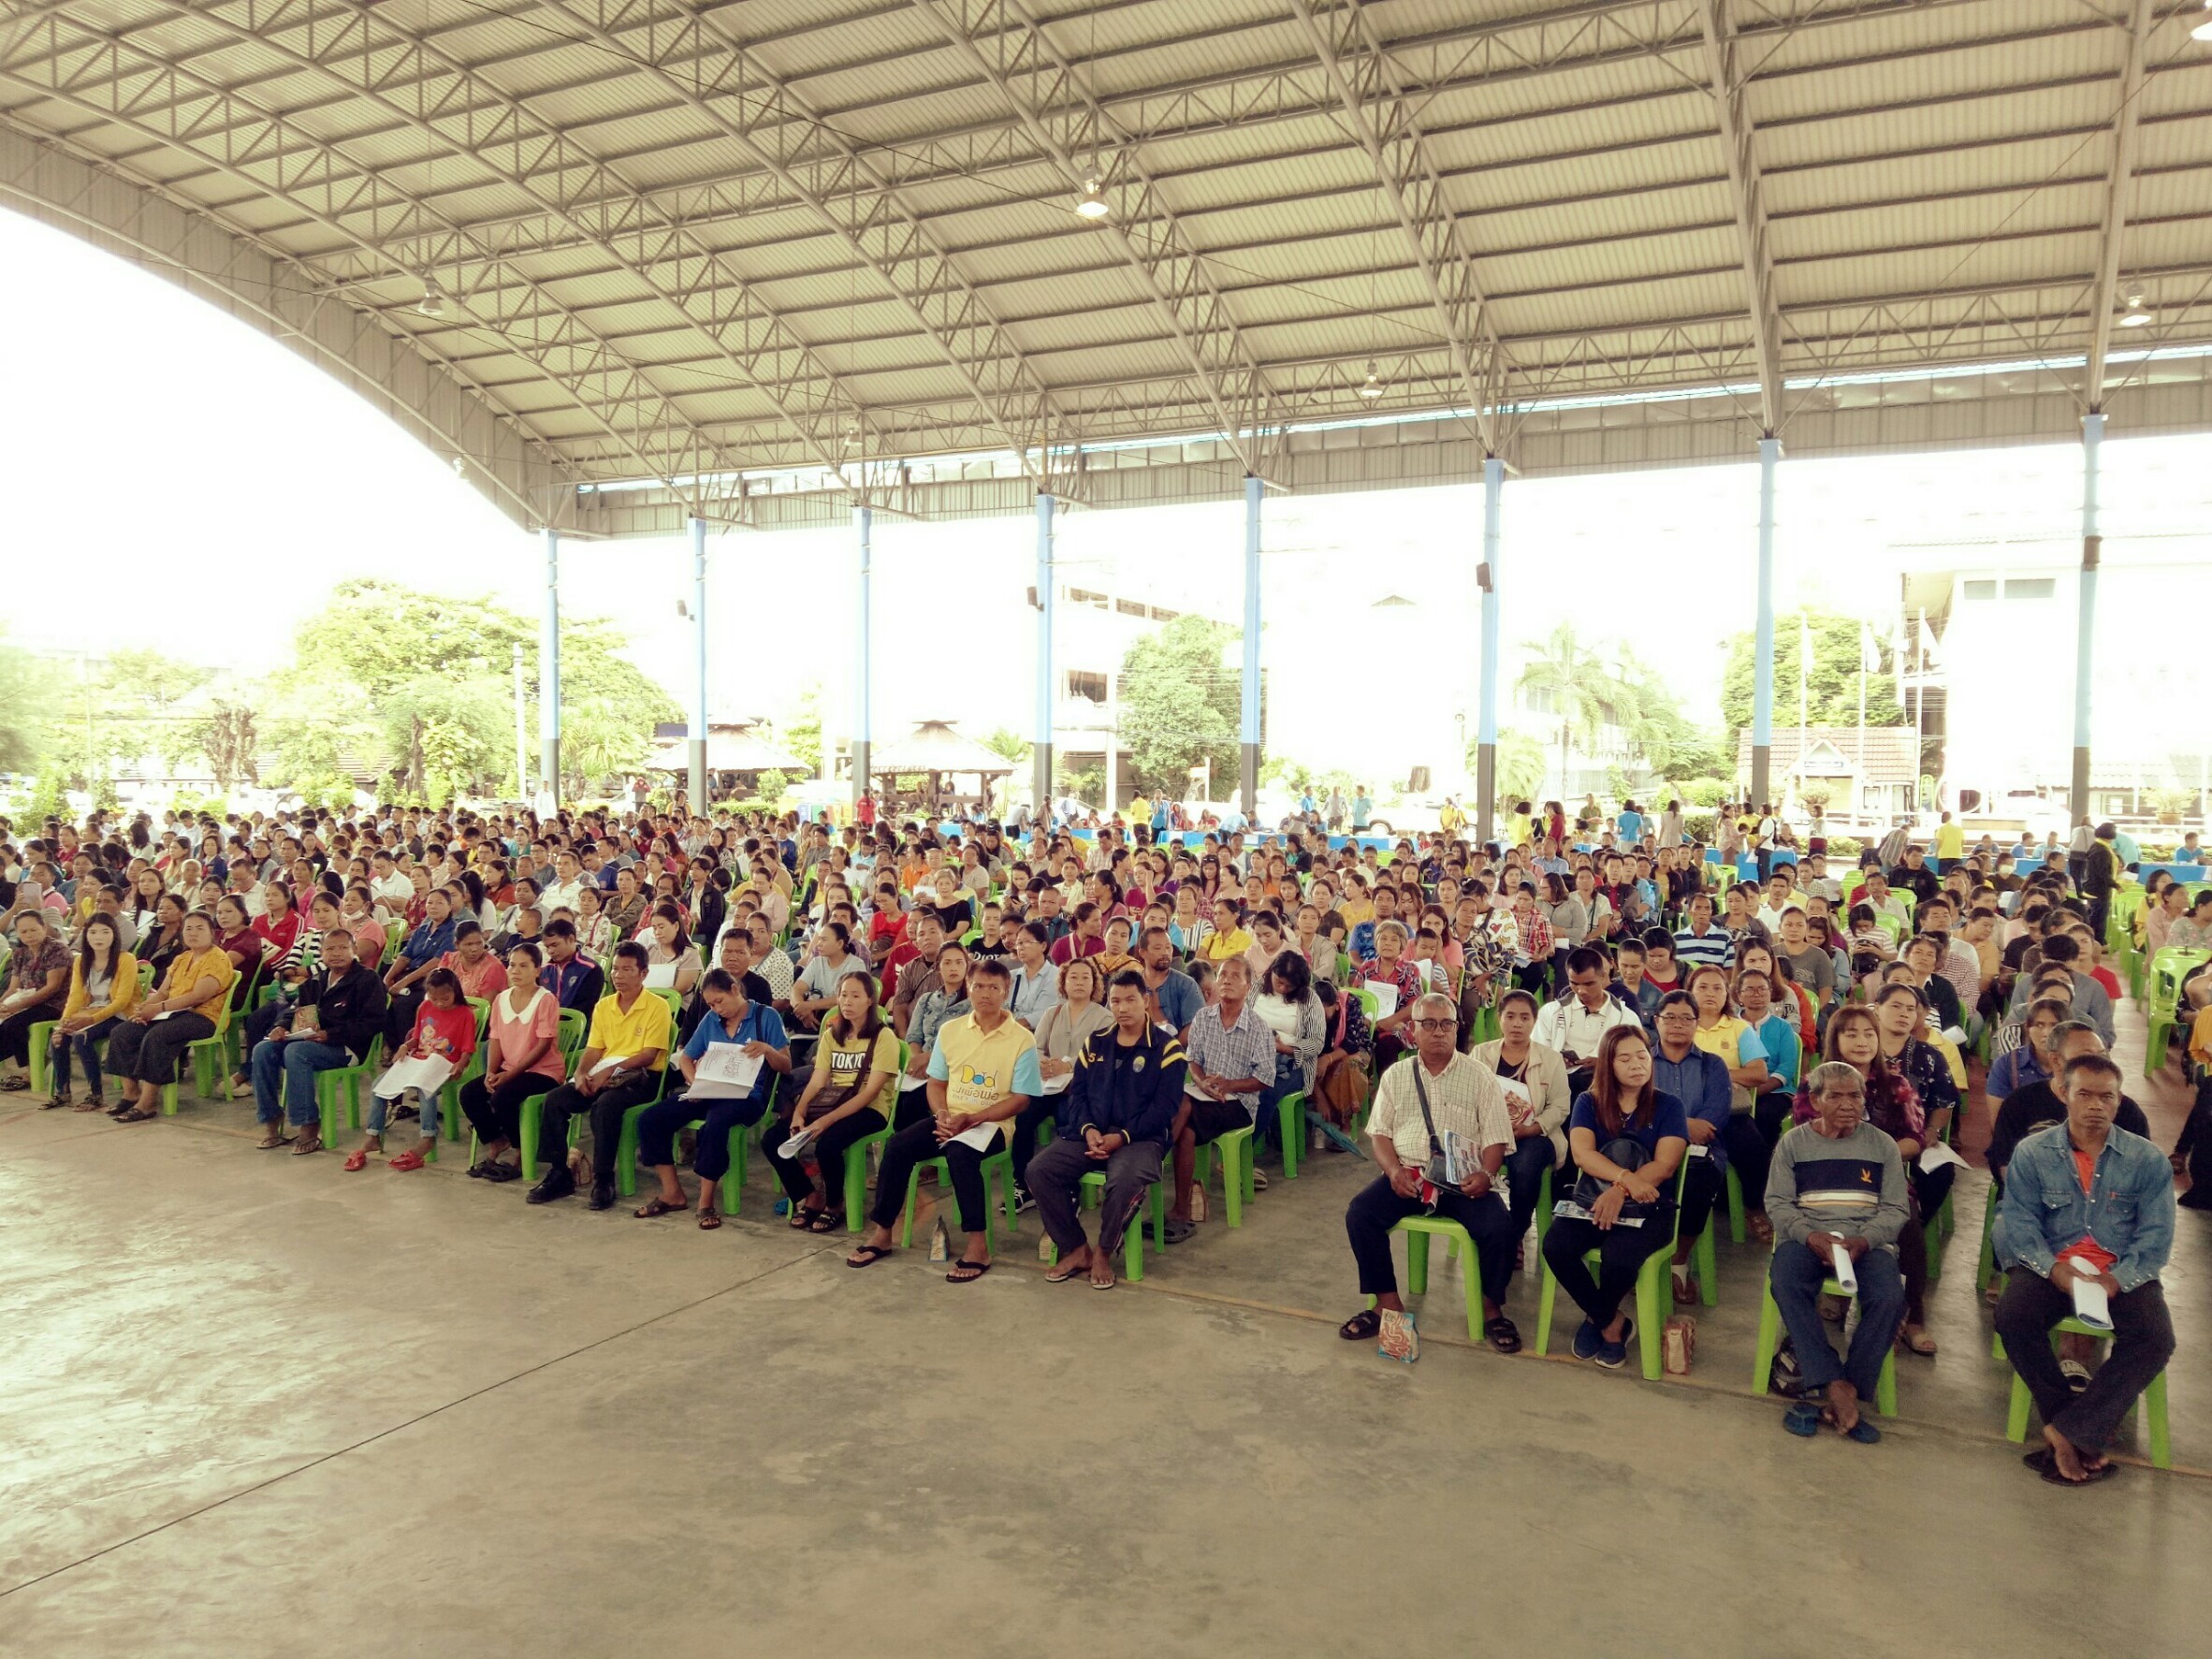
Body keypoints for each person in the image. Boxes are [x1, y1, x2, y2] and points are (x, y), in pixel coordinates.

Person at [1994, 1054, 2176, 1484]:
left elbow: (2155, 1238)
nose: (2096, 1105)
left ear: (2119, 1101)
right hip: (2053, 1266)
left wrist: (2117, 1279)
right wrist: (2054, 1270)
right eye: (2085, 1094)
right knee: (2013, 1316)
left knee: (2155, 1337)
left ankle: (2069, 1431)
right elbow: (2019, 1225)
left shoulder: (2147, 1160)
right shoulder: (2033, 1153)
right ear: (2064, 1094)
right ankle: (2071, 1424)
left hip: (2119, 1270)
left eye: (2106, 1097)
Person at [1336, 991, 1521, 1357]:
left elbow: (1497, 1138)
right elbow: (1380, 1134)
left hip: (1462, 1181)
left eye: (1447, 1024)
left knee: (1500, 1228)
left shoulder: (1480, 1076)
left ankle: (1491, 1309)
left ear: (1457, 1028)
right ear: (1413, 1030)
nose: (1439, 1031)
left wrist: (1486, 1174)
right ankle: (1387, 1304)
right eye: (1429, 1024)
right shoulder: (1396, 1075)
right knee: (1361, 1214)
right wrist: (1393, 1171)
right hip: (1410, 1177)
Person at [845, 956, 1041, 1280]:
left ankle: (978, 1246)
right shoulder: (951, 1031)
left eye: (994, 987)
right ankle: (882, 1233)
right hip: (949, 1119)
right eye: (978, 986)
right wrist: (943, 1115)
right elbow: (936, 1084)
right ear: (968, 987)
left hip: (992, 1124)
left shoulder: (1022, 1039)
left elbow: (1021, 1100)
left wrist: (972, 1119)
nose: (985, 993)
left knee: (960, 1154)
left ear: (1006, 992)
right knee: (897, 1147)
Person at [1765, 1061, 1911, 1443]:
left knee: (1890, 1296)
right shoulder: (1793, 1143)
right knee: (1785, 1280)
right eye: (1836, 1096)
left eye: (1855, 1096)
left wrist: (1865, 1239)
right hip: (1809, 1237)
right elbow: (1778, 1203)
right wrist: (1810, 1235)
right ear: (1815, 1100)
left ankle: (1848, 1386)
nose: (1848, 1105)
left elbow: (1896, 1208)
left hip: (1866, 1242)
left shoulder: (1882, 1145)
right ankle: (1833, 1380)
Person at [1027, 969, 1189, 1289]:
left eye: (1130, 1000)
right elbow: (1079, 1094)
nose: (1122, 1008)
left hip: (1140, 1139)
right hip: (1093, 1134)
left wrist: (1122, 1137)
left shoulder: (1167, 1049)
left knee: (1125, 1180)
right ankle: (1076, 1248)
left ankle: (1103, 1250)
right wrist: (1088, 1129)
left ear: (1146, 1000)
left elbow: (1165, 1109)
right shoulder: (1096, 1042)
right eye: (1115, 1001)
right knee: (1039, 1170)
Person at [1540, 1024, 1689, 1368]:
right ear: (1608, 1064)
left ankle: (1597, 1319)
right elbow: (1582, 1154)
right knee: (1556, 1245)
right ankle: (1611, 1322)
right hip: (1593, 1198)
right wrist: (1621, 1180)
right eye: (1625, 1059)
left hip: (1650, 1205)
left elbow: (1665, 1165)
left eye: (1642, 1056)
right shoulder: (1588, 1102)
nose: (1637, 1064)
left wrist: (1620, 1191)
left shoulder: (1669, 1106)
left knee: (1619, 1257)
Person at [632, 967, 794, 1227]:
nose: (717, 1009)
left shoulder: (766, 1016)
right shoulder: (711, 1019)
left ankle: (705, 1201)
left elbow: (786, 1065)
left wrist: (766, 1050)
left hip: (748, 1096)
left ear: (735, 990)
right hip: (710, 1091)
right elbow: (686, 1058)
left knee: (715, 1124)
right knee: (651, 1119)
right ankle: (672, 1192)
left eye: (719, 1001)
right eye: (710, 1004)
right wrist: (695, 1084)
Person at [525, 941, 673, 1210]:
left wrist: (610, 1071)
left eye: (627, 970)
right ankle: (559, 1173)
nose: (618, 975)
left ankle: (604, 1179)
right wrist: (581, 1072)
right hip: (604, 1071)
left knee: (605, 1107)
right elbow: (594, 1049)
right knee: (555, 1100)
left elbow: (649, 1055)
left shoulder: (657, 1006)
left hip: (642, 1077)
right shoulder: (604, 1005)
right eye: (615, 969)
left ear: (643, 973)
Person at [1166, 954, 1274, 1244]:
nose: (1226, 980)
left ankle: (1154, 1160)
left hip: (1239, 1104)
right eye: (1223, 974)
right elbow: (1193, 1060)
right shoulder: (1204, 1017)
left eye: (1235, 976)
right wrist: (1203, 1082)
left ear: (1248, 986)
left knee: (1183, 1106)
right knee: (1186, 1131)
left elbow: (1265, 1078)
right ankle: (1181, 1208)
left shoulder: (1258, 1027)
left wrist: (1228, 1085)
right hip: (1204, 1095)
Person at [1467, 987, 1572, 1270]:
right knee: (1465, 1160)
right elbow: (1467, 1097)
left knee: (1525, 1164)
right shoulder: (1481, 1053)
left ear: (1534, 1021)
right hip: (1487, 1133)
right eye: (1510, 1016)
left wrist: (1532, 1128)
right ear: (1499, 1018)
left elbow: (1560, 1106)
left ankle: (1514, 1233)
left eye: (1525, 1017)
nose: (1517, 1024)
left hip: (1536, 1134)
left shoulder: (1551, 1059)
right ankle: (1484, 1229)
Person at [104, 910, 236, 1124]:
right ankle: (131, 1094)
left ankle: (147, 1103)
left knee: (157, 1036)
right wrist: (143, 1009)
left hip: (203, 1016)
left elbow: (199, 996)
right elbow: (163, 992)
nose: (193, 933)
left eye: (200, 928)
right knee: (122, 1032)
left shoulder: (218, 958)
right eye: (188, 928)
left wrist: (158, 1009)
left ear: (212, 933)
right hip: (171, 1012)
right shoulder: (182, 958)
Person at [1652, 985, 1736, 1305]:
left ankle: (1679, 1260)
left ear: (1697, 1023)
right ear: (1656, 1021)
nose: (1677, 1024)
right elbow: (1637, 1113)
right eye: (1669, 1017)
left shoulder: (1713, 1065)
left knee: (1699, 1175)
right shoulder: (1642, 1061)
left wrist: (1666, 1124)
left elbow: (1712, 1121)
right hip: (1650, 1147)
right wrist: (1682, 1125)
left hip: (1700, 1152)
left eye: (1686, 1018)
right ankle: (1644, 1253)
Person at [458, 942, 567, 1183]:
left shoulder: (546, 1000)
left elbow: (543, 1045)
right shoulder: (501, 999)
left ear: (537, 970)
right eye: (512, 965)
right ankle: (498, 1140)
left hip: (543, 1072)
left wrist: (511, 1074)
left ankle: (521, 1151)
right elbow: (495, 1039)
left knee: (502, 1097)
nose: (516, 971)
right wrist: (491, 1071)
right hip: (510, 1069)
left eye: (524, 966)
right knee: (469, 1094)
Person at [354, 966, 474, 1171]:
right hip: (418, 1060)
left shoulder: (465, 1014)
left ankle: (428, 1137)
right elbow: (417, 1038)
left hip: (444, 1063)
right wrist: (404, 1046)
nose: (439, 1003)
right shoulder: (425, 1007)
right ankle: (373, 1135)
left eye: (445, 998)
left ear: (455, 991)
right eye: (434, 998)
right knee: (378, 1086)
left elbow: (467, 1048)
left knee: (424, 1088)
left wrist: (460, 1065)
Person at [43, 913, 139, 1111]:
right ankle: (62, 1092)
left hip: (120, 1015)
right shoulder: (81, 961)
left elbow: (121, 1002)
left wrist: (90, 1020)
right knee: (59, 1036)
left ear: (114, 934)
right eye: (93, 932)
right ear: (85, 935)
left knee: (82, 1037)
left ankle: (96, 1094)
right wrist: (63, 1023)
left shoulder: (126, 959)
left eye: (105, 932)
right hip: (92, 1013)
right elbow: (75, 997)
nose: (99, 937)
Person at [1533, 946, 1641, 1094]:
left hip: (1607, 1086)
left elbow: (1635, 1058)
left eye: (1589, 984)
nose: (1581, 990)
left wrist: (1603, 1062)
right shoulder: (1550, 1012)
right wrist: (1555, 1060)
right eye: (1574, 983)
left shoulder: (1627, 1017)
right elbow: (1537, 1051)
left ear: (1603, 976)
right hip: (1558, 1084)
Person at [0, 910, 70, 1093]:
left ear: (44, 928)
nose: (29, 935)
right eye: (24, 932)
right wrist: (2, 1004)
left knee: (13, 1024)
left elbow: (52, 988)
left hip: (54, 1004)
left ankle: (31, 1070)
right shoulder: (20, 953)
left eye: (33, 930)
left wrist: (16, 1006)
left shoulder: (57, 950)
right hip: (26, 1000)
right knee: (5, 1021)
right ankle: (33, 1063)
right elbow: (13, 987)